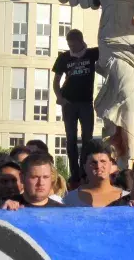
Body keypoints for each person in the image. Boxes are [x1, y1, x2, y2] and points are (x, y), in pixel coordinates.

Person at [52, 29, 100, 185]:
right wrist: (60, 98)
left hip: (86, 103)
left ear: (81, 41)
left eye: (74, 44)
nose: (71, 47)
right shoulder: (64, 58)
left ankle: (85, 170)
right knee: (71, 138)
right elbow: (56, 81)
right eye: (69, 44)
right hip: (70, 104)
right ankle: (75, 174)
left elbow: (107, 52)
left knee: (88, 138)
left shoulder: (92, 54)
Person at [63, 141, 128, 207]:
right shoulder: (71, 199)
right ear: (85, 167)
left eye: (103, 161)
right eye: (93, 163)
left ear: (110, 164)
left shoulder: (127, 198)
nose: (98, 166)